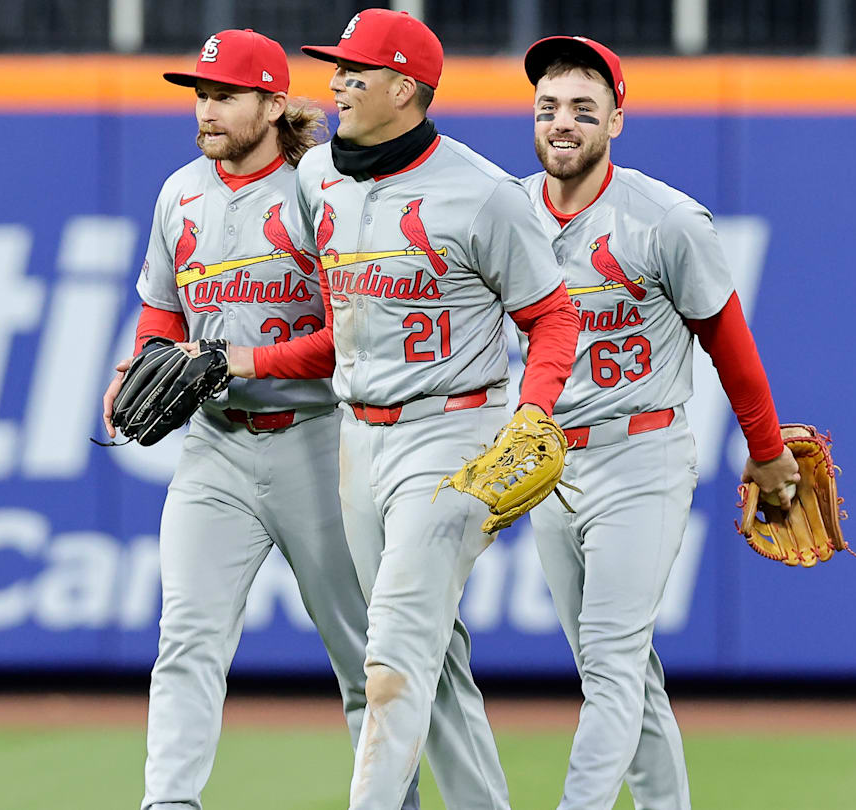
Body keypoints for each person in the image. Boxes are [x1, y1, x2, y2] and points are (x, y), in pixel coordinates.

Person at [214, 10, 581, 810]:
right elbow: (334, 334)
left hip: (453, 435)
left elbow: (554, 317)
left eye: (357, 71)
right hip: (358, 440)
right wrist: (245, 359)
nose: (337, 81)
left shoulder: (481, 195)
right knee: (433, 660)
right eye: (337, 68)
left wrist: (535, 414)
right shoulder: (318, 179)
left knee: (390, 663)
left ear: (405, 87)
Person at [102, 29, 420, 810]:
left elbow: (352, 336)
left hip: (317, 445)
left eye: (224, 95)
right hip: (216, 451)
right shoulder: (178, 192)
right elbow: (160, 310)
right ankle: (168, 802)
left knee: (362, 656)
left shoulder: (321, 190)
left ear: (274, 104)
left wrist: (242, 362)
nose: (206, 110)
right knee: (186, 639)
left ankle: (393, 800)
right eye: (201, 95)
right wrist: (147, 359)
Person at [518, 36, 802, 810]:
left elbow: (730, 344)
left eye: (583, 107)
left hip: (642, 456)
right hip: (546, 468)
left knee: (610, 664)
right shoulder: (508, 215)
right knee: (622, 671)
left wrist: (768, 449)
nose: (563, 122)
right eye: (548, 108)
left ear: (617, 118)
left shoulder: (665, 219)